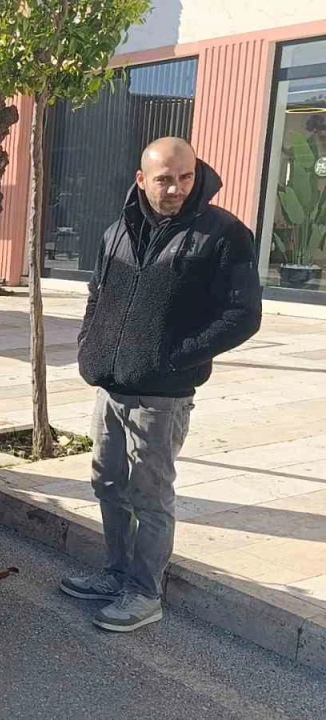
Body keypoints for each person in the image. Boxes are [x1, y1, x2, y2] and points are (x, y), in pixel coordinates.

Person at [66, 137, 262, 633]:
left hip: (163, 395)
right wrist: (90, 345)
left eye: (186, 177)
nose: (176, 188)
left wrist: (173, 359)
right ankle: (116, 574)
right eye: (164, 179)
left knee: (150, 495)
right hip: (111, 385)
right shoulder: (116, 231)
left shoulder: (224, 235)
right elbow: (98, 294)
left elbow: (243, 315)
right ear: (141, 179)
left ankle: (144, 593)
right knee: (107, 483)